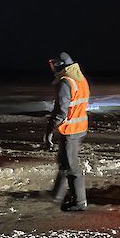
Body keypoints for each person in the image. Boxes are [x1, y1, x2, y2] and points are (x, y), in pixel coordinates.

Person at [44, 52, 90, 211]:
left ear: (59, 65)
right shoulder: (80, 78)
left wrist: (50, 130)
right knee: (64, 162)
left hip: (70, 130)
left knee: (71, 167)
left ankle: (79, 202)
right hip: (79, 128)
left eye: (53, 64)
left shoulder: (66, 82)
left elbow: (61, 112)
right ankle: (56, 195)